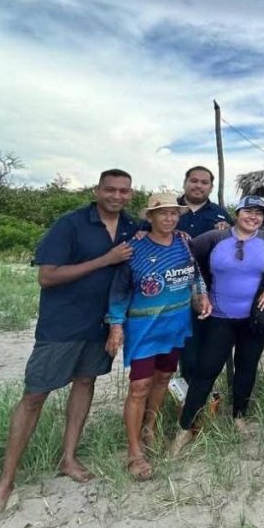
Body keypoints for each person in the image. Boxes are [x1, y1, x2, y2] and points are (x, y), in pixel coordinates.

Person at [0, 169, 138, 517]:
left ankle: (68, 457)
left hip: (101, 325)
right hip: (62, 324)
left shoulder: (130, 227)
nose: (117, 195)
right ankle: (5, 481)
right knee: (35, 394)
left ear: (131, 194)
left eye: (124, 191)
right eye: (110, 189)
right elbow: (47, 276)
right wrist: (105, 259)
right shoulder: (70, 224)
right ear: (97, 190)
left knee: (85, 383)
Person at [105, 193, 212, 481]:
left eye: (173, 214)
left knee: (163, 379)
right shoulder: (134, 247)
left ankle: (150, 427)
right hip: (143, 327)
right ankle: (134, 450)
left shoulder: (184, 242)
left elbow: (195, 275)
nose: (169, 218)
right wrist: (116, 325)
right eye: (162, 213)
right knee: (139, 385)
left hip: (175, 325)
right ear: (150, 217)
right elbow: (120, 290)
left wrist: (201, 295)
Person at [171, 196, 264, 453]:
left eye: (259, 213)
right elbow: (184, 255)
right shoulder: (216, 238)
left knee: (246, 369)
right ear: (237, 213)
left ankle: (239, 416)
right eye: (248, 211)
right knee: (206, 370)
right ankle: (185, 427)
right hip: (219, 317)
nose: (253, 216)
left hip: (253, 319)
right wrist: (198, 290)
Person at [175, 166, 233, 237]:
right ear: (184, 184)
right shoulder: (168, 207)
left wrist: (227, 231)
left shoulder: (221, 214)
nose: (198, 186)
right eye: (194, 181)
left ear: (211, 188)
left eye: (204, 183)